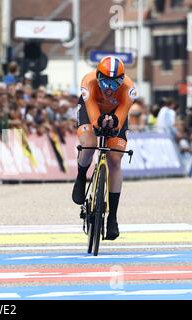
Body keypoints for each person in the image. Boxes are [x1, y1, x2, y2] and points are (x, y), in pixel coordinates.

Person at [72, 56, 136, 241]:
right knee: (89, 144)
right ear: (97, 76)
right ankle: (81, 175)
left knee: (115, 160)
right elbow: (92, 111)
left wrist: (114, 122)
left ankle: (113, 218)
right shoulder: (88, 81)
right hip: (90, 109)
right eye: (105, 82)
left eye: (115, 83)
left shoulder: (129, 89)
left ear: (122, 80)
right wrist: (98, 121)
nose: (109, 88)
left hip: (116, 113)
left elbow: (122, 114)